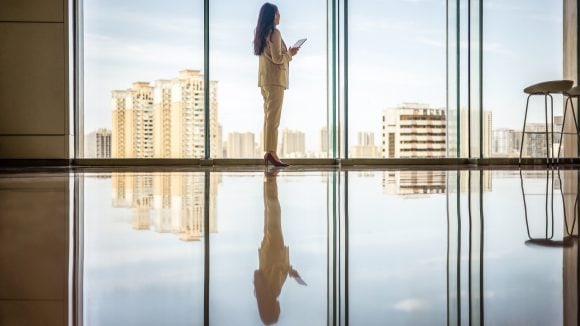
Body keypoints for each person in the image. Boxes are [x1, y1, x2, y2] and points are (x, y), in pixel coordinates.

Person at [254, 169, 306, 324]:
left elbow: (277, 268)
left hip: (274, 250)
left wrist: (290, 272)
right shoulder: (262, 293)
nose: (280, 309)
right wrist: (291, 272)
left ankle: (270, 180)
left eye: (277, 312)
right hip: (266, 252)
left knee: (274, 211)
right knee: (269, 212)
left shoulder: (274, 292)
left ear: (273, 310)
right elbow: (270, 271)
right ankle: (268, 181)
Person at [254, 3, 299, 167]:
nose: (279, 16)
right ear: (272, 16)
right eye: (277, 14)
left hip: (265, 80)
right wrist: (291, 53)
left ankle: (269, 152)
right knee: (273, 119)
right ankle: (272, 153)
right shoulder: (275, 33)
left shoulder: (261, 33)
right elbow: (278, 58)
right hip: (275, 80)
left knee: (268, 118)